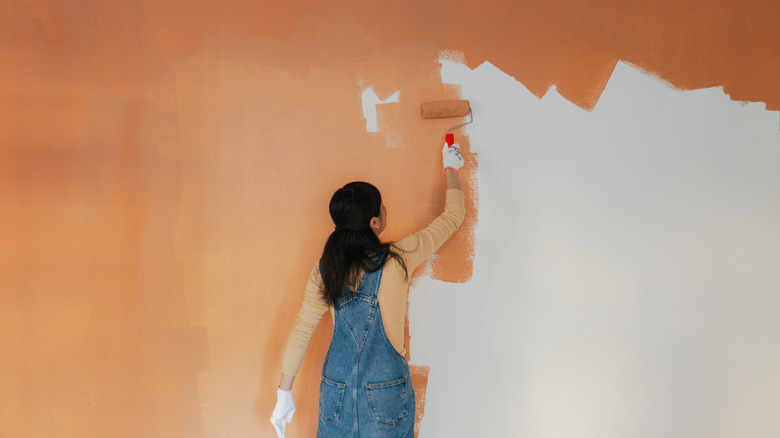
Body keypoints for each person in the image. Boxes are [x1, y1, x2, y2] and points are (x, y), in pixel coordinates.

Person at [270, 142, 467, 438]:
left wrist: (283, 392)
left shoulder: (326, 268)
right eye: (381, 205)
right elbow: (452, 217)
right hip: (386, 394)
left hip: (336, 391)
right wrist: (451, 168)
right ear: (375, 222)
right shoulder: (399, 257)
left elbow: (303, 328)